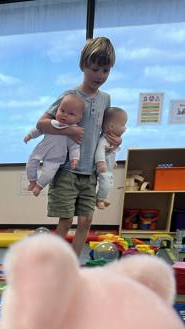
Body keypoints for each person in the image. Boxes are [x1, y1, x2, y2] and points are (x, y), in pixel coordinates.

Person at [35, 37, 121, 258]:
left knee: (86, 219)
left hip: (89, 172)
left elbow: (106, 130)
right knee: (65, 220)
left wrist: (115, 140)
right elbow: (41, 124)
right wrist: (68, 130)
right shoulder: (70, 96)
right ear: (83, 65)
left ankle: (72, 264)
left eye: (105, 70)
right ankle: (53, 263)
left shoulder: (105, 99)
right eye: (95, 69)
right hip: (66, 170)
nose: (100, 76)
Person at [24, 93, 85, 197]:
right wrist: (30, 135)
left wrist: (74, 158)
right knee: (30, 165)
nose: (64, 115)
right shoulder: (51, 123)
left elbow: (74, 147)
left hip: (55, 157)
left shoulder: (72, 131)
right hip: (40, 150)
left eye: (71, 114)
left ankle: (39, 186)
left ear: (79, 118)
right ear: (57, 110)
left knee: (48, 174)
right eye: (62, 110)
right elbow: (39, 130)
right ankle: (32, 182)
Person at [95, 106, 128, 208]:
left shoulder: (111, 140)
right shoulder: (104, 139)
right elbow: (99, 150)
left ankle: (104, 198)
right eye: (123, 125)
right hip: (103, 168)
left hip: (109, 168)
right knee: (105, 183)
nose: (125, 128)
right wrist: (100, 162)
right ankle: (99, 199)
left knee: (110, 183)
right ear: (111, 127)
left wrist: (113, 161)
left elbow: (111, 152)